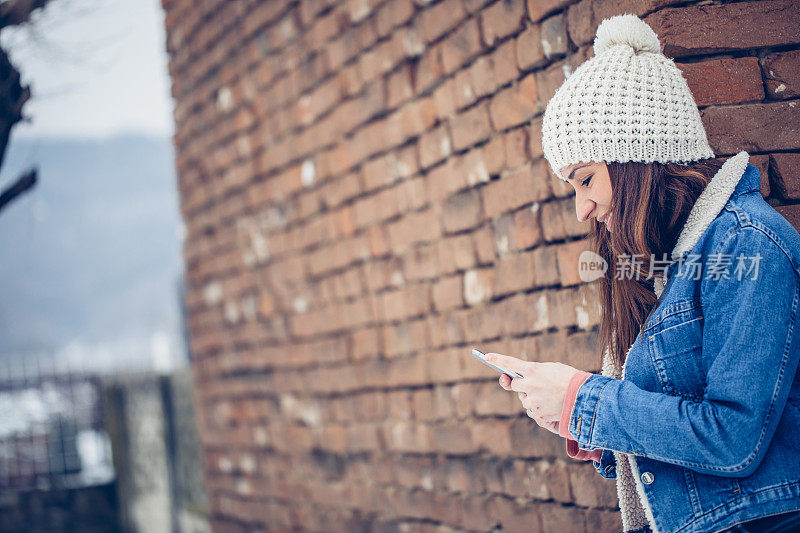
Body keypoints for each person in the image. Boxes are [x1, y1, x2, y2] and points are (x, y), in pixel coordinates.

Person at [484, 13, 800, 533]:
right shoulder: (661, 264)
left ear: (635, 159)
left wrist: (584, 399)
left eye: (585, 180)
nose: (581, 210)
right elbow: (673, 432)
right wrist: (579, 422)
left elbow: (732, 439)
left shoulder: (746, 244)